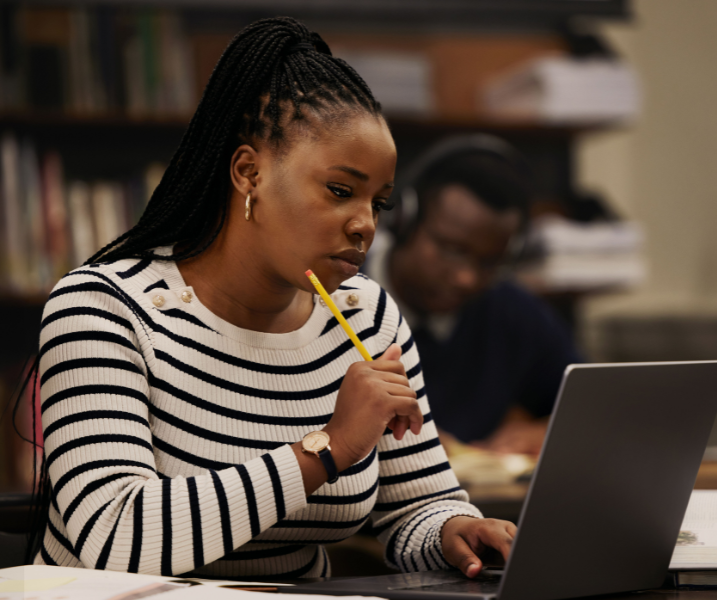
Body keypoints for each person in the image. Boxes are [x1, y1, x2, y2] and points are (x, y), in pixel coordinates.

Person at [32, 18, 515, 580]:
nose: (364, 225)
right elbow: (116, 539)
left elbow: (415, 507)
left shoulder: (367, 317)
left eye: (378, 203)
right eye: (340, 191)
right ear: (248, 173)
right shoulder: (102, 309)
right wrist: (327, 449)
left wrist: (456, 529)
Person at [364, 136, 583, 456]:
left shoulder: (510, 310)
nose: (467, 278)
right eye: (452, 250)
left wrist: (546, 432)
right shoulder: (337, 295)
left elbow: (593, 405)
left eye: (489, 262)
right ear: (403, 220)